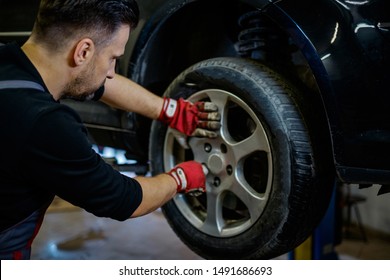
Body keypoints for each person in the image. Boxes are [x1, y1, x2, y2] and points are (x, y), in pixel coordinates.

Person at [0, 0, 220, 259]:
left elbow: (100, 84)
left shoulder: (9, 62)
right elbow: (124, 199)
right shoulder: (46, 124)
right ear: (83, 52)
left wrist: (169, 110)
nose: (112, 72)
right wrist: (180, 179)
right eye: (113, 58)